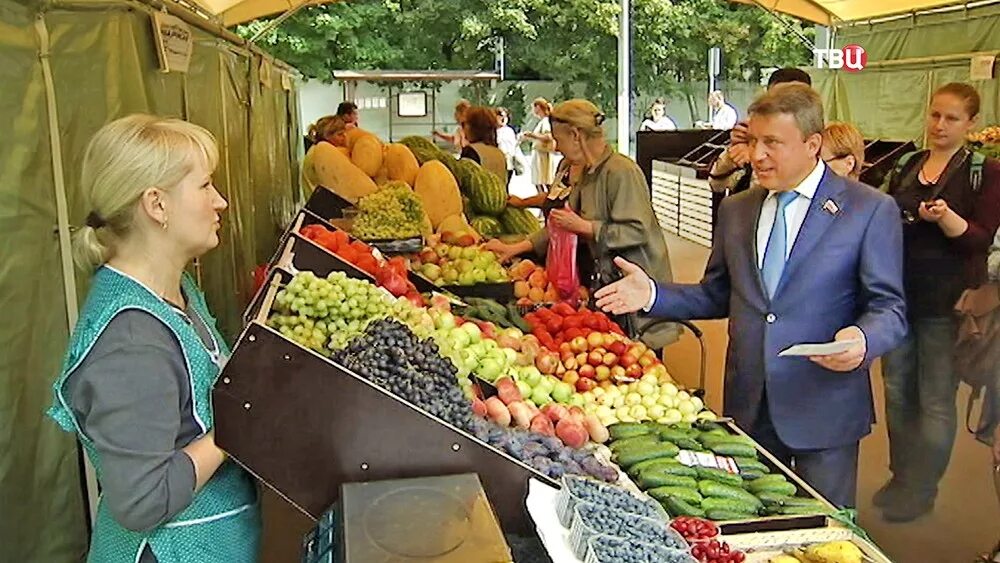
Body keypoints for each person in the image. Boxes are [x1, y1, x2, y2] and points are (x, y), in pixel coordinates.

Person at [593, 84, 907, 508]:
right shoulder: (738, 210)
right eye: (752, 140)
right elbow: (719, 295)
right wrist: (653, 294)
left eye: (772, 143)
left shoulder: (868, 209)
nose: (757, 155)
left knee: (828, 529)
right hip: (749, 404)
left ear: (812, 145)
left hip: (824, 407)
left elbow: (889, 307)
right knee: (752, 519)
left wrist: (864, 339)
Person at [46, 115, 260, 562]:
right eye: (204, 186)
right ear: (156, 205)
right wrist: (234, 429)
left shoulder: (176, 293)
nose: (220, 201)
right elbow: (142, 501)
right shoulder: (130, 342)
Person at [877, 82, 1000, 522]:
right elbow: (883, 213)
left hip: (948, 307)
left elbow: (982, 239)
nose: (940, 125)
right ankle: (900, 473)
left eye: (951, 118)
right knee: (896, 392)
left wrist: (948, 219)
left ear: (972, 124)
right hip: (898, 299)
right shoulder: (908, 163)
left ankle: (923, 486)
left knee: (933, 398)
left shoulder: (984, 173)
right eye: (934, 115)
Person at [485, 99, 678, 350]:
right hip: (607, 291)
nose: (556, 147)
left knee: (642, 365)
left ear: (576, 135)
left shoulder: (621, 172)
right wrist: (518, 248)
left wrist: (586, 227)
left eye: (559, 139)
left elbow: (637, 230)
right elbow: (562, 223)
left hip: (638, 296)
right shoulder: (582, 172)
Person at [709, 68, 813, 195]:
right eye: (778, 99)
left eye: (795, 100)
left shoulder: (826, 143)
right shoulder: (751, 133)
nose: (784, 106)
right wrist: (732, 157)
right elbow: (717, 185)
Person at [301, 115, 349, 197]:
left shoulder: (318, 149)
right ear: (327, 136)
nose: (344, 137)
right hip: (321, 203)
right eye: (340, 134)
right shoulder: (322, 153)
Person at [460, 106, 509, 184]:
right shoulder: (499, 153)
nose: (461, 128)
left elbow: (466, 184)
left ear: (473, 127)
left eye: (463, 124)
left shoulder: (471, 151)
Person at [521, 97, 558, 194]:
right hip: (539, 153)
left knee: (542, 180)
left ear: (538, 107)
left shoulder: (546, 121)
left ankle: (544, 199)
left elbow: (548, 136)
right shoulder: (542, 121)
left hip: (542, 154)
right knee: (539, 180)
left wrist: (532, 135)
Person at [495, 107, 521, 183]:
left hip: (509, 162)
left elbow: (514, 147)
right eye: (500, 116)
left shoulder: (509, 131)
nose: (503, 119)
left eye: (505, 116)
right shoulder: (492, 131)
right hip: (497, 162)